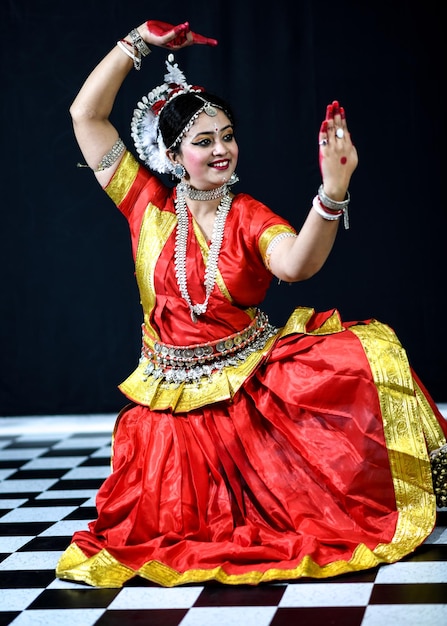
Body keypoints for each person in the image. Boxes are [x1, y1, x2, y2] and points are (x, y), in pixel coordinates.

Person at [56, 19, 447, 588]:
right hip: (171, 406)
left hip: (250, 387)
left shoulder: (248, 215)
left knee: (353, 369)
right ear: (171, 153)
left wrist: (332, 192)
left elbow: (295, 264)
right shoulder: (145, 204)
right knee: (162, 530)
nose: (222, 150)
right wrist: (138, 40)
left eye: (228, 136)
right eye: (204, 140)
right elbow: (84, 116)